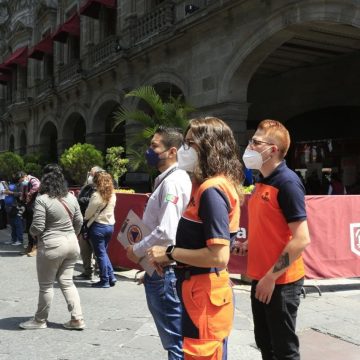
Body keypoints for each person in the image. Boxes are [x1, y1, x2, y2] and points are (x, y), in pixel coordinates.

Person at [147, 117, 244, 360]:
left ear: (209, 147)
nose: (182, 150)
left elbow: (219, 256)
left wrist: (169, 253)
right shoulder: (209, 186)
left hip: (203, 292)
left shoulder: (211, 190)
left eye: (189, 143)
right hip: (199, 289)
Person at [242, 119, 311, 360]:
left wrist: (271, 277)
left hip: (280, 282)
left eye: (255, 142)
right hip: (261, 278)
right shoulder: (261, 179)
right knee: (265, 344)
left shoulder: (287, 182)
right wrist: (249, 244)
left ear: (272, 150)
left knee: (283, 351)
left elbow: (301, 239)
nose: (249, 146)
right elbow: (272, 226)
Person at [126, 126, 192, 360]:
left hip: (166, 272)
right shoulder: (169, 180)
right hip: (160, 268)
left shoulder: (172, 182)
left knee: (175, 343)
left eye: (155, 146)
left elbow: (166, 231)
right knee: (175, 340)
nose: (149, 151)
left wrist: (136, 249)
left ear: (172, 151)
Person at [19, 164, 85, 330]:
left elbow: (38, 226)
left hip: (52, 245)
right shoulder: (71, 197)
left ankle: (40, 320)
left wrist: (32, 233)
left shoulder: (42, 200)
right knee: (67, 282)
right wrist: (72, 235)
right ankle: (77, 319)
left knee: (46, 286)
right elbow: (79, 221)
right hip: (72, 244)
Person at [84, 171, 116, 288]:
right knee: (104, 253)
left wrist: (85, 218)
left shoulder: (97, 195)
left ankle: (105, 280)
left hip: (98, 227)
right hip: (110, 226)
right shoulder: (113, 194)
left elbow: (88, 213)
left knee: (100, 254)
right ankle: (111, 276)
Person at [74, 165, 105, 280]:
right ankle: (87, 272)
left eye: (92, 174)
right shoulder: (87, 187)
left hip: (95, 223)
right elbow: (80, 199)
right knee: (84, 250)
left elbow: (94, 203)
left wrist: (82, 201)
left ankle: (102, 274)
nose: (90, 176)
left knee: (98, 251)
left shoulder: (103, 188)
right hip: (84, 223)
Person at [14, 171, 41, 256]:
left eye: (21, 180)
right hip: (28, 206)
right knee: (28, 227)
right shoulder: (25, 183)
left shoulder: (32, 179)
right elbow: (23, 192)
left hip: (34, 206)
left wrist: (29, 194)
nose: (21, 182)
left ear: (25, 176)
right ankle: (30, 245)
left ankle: (36, 247)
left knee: (34, 226)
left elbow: (37, 186)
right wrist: (22, 196)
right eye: (20, 181)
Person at [3, 178, 25, 246]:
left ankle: (20, 240)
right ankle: (14, 239)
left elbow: (20, 194)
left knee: (17, 223)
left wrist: (11, 192)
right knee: (12, 224)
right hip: (9, 206)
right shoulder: (11, 184)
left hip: (16, 206)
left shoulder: (20, 184)